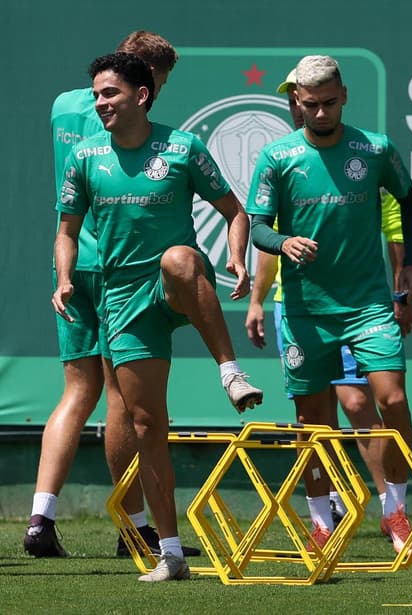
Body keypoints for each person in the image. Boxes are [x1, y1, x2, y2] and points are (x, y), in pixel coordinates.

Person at [53, 52, 263, 581]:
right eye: (97, 94)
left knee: (179, 256)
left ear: (140, 96)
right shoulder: (85, 156)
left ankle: (230, 371)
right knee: (148, 425)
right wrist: (64, 277)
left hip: (174, 285)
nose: (99, 103)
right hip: (122, 299)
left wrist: (238, 259)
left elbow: (235, 210)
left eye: (110, 94)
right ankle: (170, 553)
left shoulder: (182, 146)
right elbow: (67, 231)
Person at [25, 31, 201, 560]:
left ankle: (40, 517)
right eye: (155, 82)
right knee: (122, 396)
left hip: (71, 260)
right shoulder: (119, 117)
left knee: (76, 393)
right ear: (138, 78)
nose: (156, 93)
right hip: (116, 264)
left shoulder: (63, 105)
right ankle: (135, 527)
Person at [246, 55, 412, 554]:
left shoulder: (373, 149)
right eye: (309, 105)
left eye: (328, 102)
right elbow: (257, 224)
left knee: (390, 400)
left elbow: (410, 201)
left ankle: (396, 508)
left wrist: (411, 261)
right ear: (297, 103)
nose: (320, 113)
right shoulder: (277, 157)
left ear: (344, 95)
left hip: (367, 304)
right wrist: (282, 243)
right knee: (312, 422)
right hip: (305, 310)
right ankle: (321, 521)